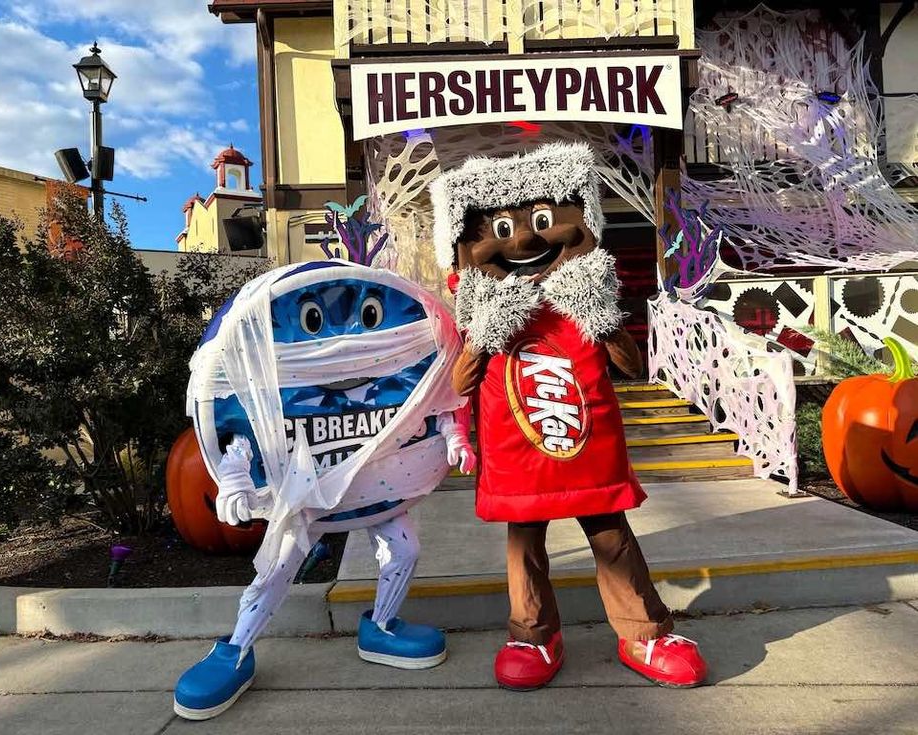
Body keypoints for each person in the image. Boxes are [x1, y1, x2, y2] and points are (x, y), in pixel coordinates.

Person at [430, 142, 707, 691]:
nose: (526, 241)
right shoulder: (480, 309)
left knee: (609, 535)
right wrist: (485, 333)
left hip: (588, 446)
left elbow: (632, 366)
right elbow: (457, 386)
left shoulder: (584, 298)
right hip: (517, 452)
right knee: (525, 542)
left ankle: (643, 632)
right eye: (501, 229)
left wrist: (600, 317)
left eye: (542, 221)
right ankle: (532, 634)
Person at [173, 261, 475, 719]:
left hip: (377, 488)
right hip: (304, 495)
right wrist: (235, 482)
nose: (344, 349)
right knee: (276, 570)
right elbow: (239, 434)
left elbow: (438, 404)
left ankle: (381, 627)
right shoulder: (263, 384)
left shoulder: (414, 364)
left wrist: (455, 441)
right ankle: (234, 650)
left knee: (404, 549)